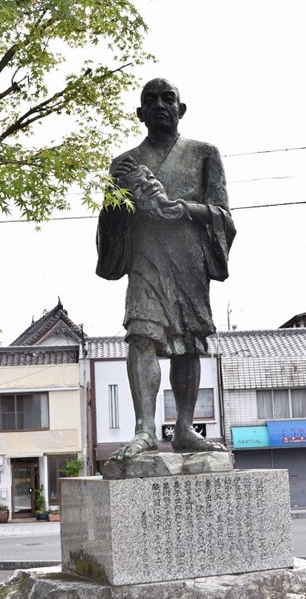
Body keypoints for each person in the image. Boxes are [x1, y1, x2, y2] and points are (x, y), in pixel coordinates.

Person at [96, 78, 236, 461]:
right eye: (150, 100)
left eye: (167, 98)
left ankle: (185, 428)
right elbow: (110, 224)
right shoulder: (125, 164)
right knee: (141, 336)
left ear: (181, 109)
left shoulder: (205, 154)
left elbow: (223, 214)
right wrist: (116, 198)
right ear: (140, 113)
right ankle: (144, 429)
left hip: (189, 260)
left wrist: (184, 209)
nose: (160, 105)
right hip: (146, 258)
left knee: (189, 343)